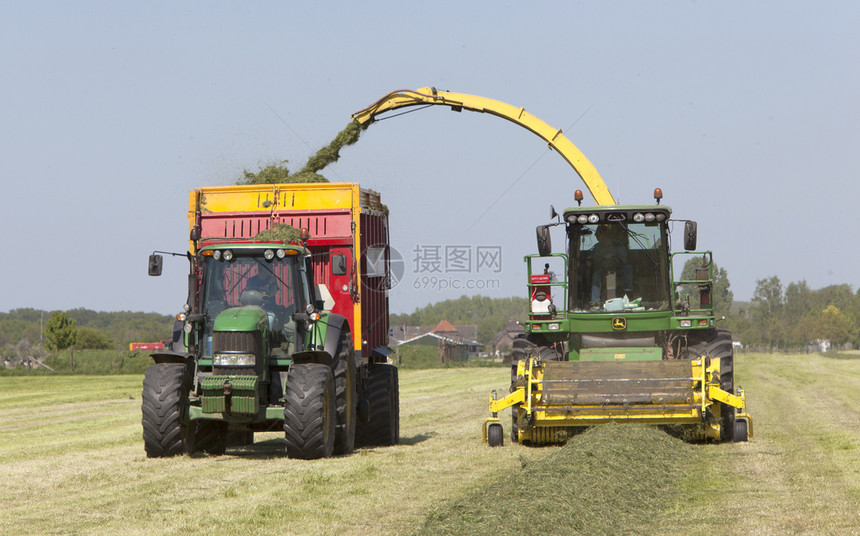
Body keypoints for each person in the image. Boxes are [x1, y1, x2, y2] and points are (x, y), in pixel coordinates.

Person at [589, 225, 633, 303]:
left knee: (628, 268)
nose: (596, 236)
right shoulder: (597, 247)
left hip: (618, 269)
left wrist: (613, 255)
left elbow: (625, 260)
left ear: (604, 235)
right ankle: (595, 301)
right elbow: (590, 261)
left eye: (597, 234)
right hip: (603, 270)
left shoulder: (618, 245)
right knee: (596, 275)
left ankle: (628, 294)